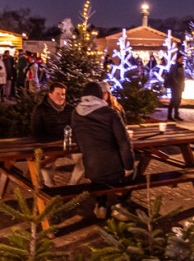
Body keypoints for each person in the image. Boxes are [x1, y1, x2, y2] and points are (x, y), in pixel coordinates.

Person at [71, 82, 135, 220]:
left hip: (92, 169)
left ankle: (101, 205)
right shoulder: (111, 114)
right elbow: (124, 143)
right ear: (100, 96)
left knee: (100, 174)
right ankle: (120, 206)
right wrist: (128, 166)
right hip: (114, 169)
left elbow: (76, 138)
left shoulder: (75, 114)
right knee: (132, 171)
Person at [31, 82, 84, 186]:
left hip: (68, 145)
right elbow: (36, 132)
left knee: (86, 159)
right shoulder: (41, 109)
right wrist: (56, 140)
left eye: (63, 94)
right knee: (46, 166)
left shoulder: (70, 109)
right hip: (49, 145)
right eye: (58, 94)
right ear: (50, 95)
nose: (61, 97)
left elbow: (76, 128)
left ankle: (72, 186)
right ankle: (50, 188)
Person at [166, 53, 185, 122]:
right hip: (175, 86)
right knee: (173, 100)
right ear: (178, 59)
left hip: (180, 86)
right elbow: (173, 77)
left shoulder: (181, 66)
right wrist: (177, 84)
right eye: (181, 58)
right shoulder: (174, 66)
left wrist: (182, 86)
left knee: (178, 100)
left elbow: (182, 77)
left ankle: (176, 114)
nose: (182, 60)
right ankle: (169, 115)